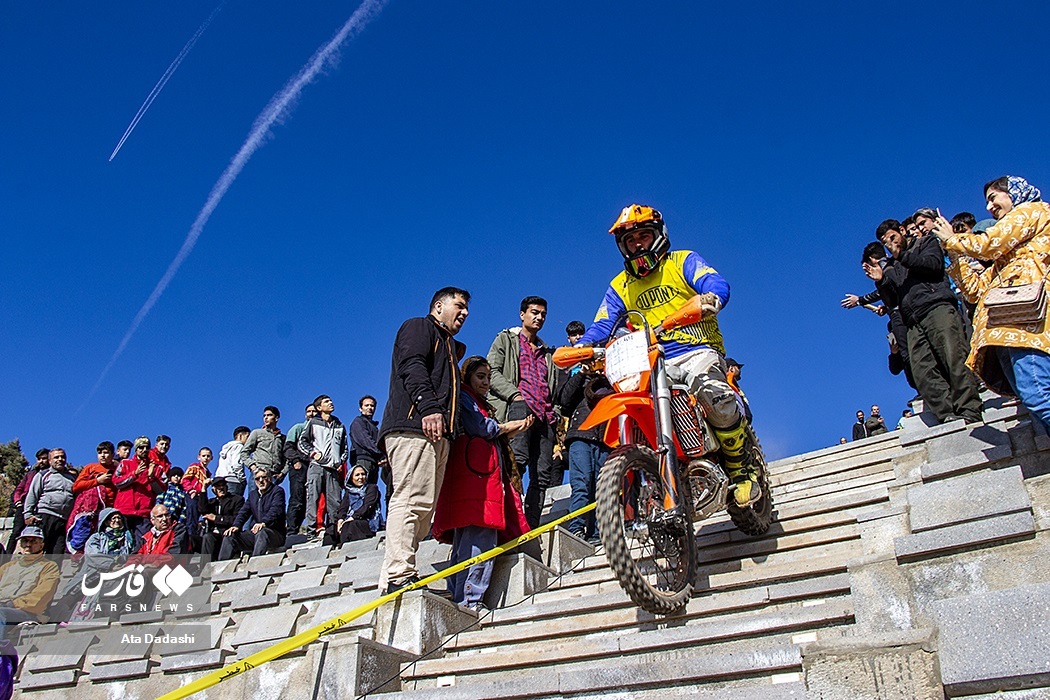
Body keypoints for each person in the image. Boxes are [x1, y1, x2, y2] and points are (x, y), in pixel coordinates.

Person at [578, 204, 760, 506]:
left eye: (644, 236)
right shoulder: (620, 285)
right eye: (631, 240)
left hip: (695, 349)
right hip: (647, 360)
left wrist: (710, 298)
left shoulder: (682, 261)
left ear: (659, 235)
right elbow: (603, 323)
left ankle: (742, 470)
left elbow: (713, 282)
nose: (638, 245)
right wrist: (581, 347)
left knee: (713, 394)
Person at [932, 175, 1050, 430]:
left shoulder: (1032, 211)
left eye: (993, 198)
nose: (989, 207)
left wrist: (954, 239)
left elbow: (986, 244)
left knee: (1039, 396)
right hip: (1004, 329)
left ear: (1014, 193)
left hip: (1026, 322)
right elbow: (974, 291)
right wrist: (953, 251)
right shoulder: (1005, 261)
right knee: (1034, 401)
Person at [379, 286, 469, 594]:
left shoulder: (448, 344)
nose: (465, 313)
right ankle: (399, 574)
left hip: (436, 433)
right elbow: (412, 366)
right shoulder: (419, 326)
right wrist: (429, 408)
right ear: (439, 306)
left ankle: (393, 575)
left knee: (423, 509)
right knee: (411, 499)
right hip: (414, 425)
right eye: (459, 305)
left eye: (467, 309)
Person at [433, 356, 531, 611]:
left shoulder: (475, 401)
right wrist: (506, 427)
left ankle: (461, 596)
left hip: (473, 478)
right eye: (480, 377)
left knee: (467, 540)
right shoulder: (466, 400)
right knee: (479, 538)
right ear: (467, 377)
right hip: (475, 479)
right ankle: (470, 600)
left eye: (488, 377)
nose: (486, 383)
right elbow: (481, 428)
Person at [866, 219, 983, 424]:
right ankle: (947, 413)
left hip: (937, 308)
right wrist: (881, 281)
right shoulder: (892, 266)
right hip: (912, 320)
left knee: (954, 357)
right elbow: (892, 299)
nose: (891, 244)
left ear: (902, 231)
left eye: (893, 237)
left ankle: (969, 409)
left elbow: (933, 265)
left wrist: (902, 256)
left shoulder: (926, 243)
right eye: (886, 243)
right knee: (922, 370)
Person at [487, 296, 560, 527]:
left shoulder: (548, 352)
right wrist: (515, 395)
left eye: (543, 315)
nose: (539, 317)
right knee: (516, 464)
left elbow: (554, 387)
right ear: (522, 314)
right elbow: (492, 372)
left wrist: (555, 412)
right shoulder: (506, 339)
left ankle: (531, 526)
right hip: (519, 407)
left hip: (545, 416)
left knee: (542, 474)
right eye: (534, 312)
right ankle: (510, 522)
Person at [558, 360, 611, 542]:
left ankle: (598, 532)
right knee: (581, 483)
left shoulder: (611, 379)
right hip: (580, 435)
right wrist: (582, 373)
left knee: (601, 486)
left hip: (605, 438)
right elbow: (564, 400)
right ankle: (576, 529)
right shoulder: (578, 376)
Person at [66, 508, 135, 623]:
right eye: (113, 518)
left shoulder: (128, 538)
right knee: (69, 598)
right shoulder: (96, 538)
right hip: (94, 573)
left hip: (118, 572)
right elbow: (94, 556)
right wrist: (111, 565)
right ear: (106, 522)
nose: (117, 521)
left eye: (119, 518)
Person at [298, 395, 349, 540]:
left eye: (331, 400)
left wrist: (340, 461)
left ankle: (334, 530)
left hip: (333, 469)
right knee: (313, 498)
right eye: (326, 402)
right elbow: (302, 442)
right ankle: (311, 531)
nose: (331, 403)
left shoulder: (339, 425)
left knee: (335, 500)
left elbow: (344, 447)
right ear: (319, 408)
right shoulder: (313, 423)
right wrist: (313, 454)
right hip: (317, 466)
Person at [0, 527, 60, 634]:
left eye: (33, 541)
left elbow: (42, 595)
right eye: (25, 541)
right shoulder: (7, 567)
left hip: (27, 612)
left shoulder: (48, 567)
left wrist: (13, 604)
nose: (28, 545)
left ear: (41, 545)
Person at [66, 441, 119, 554]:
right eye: (100, 453)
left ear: (112, 455)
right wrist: (97, 481)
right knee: (81, 538)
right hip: (90, 512)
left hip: (108, 512)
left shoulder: (118, 469)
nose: (102, 456)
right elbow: (76, 486)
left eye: (106, 453)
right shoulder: (91, 467)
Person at [219, 471, 286, 559]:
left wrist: (263, 522)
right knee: (230, 535)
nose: (261, 481)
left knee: (262, 532)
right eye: (257, 479)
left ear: (269, 479)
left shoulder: (277, 491)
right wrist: (236, 525)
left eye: (264, 477)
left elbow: (276, 510)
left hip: (275, 534)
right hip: (256, 534)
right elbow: (243, 512)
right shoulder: (253, 495)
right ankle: (222, 567)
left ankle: (254, 565)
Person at [113, 436, 167, 543]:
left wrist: (152, 477)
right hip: (124, 511)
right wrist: (134, 474)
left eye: (147, 447)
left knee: (142, 542)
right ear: (136, 449)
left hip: (144, 513)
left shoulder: (156, 468)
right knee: (122, 542)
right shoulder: (125, 463)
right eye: (141, 447)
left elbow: (162, 489)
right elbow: (116, 482)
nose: (144, 450)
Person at [23, 448, 76, 555]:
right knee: (38, 550)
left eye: (62, 457)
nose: (60, 459)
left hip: (63, 520)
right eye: (56, 457)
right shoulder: (42, 475)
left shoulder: (72, 478)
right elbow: (33, 494)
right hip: (44, 517)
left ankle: (52, 572)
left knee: (57, 552)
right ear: (50, 460)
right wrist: (27, 514)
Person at [324, 465, 382, 547]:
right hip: (349, 521)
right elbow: (343, 508)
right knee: (331, 529)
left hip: (367, 521)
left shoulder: (372, 488)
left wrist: (352, 518)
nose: (361, 477)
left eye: (363, 474)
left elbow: (368, 506)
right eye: (357, 475)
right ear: (351, 478)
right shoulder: (349, 493)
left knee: (352, 525)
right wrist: (340, 520)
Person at [283, 404, 318, 534]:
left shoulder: (319, 430)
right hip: (299, 466)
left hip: (314, 466)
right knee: (297, 499)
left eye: (314, 411)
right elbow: (288, 447)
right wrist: (295, 460)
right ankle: (291, 530)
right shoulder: (298, 428)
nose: (312, 414)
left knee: (308, 500)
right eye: (309, 411)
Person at [7, 449, 49, 551]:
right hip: (24, 506)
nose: (41, 461)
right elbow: (19, 489)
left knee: (41, 535)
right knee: (16, 532)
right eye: (39, 459)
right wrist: (18, 503)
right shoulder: (31, 474)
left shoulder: (51, 475)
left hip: (41, 508)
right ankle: (5, 559)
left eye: (44, 458)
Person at [197, 477, 244, 563]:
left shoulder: (236, 500)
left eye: (223, 485)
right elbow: (202, 509)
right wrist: (203, 488)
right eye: (218, 486)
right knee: (195, 539)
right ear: (214, 489)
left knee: (208, 537)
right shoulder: (212, 502)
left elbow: (236, 519)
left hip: (227, 535)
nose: (221, 488)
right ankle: (203, 569)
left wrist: (216, 518)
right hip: (212, 536)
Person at [241, 406, 285, 492]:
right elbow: (244, 452)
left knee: (271, 502)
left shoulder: (282, 438)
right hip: (258, 472)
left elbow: (286, 459)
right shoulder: (257, 433)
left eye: (269, 415)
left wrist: (282, 473)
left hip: (273, 476)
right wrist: (253, 467)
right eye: (264, 415)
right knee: (254, 501)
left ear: (276, 418)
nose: (266, 418)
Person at [350, 395, 385, 486]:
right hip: (363, 460)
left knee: (371, 490)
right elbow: (365, 440)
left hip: (374, 462)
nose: (370, 408)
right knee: (362, 490)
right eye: (366, 405)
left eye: (372, 406)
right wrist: (381, 455)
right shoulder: (358, 422)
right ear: (360, 408)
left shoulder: (374, 427)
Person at [182, 448, 212, 550]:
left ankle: (196, 537)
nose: (206, 458)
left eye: (208, 456)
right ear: (199, 457)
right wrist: (191, 490)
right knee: (192, 517)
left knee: (199, 516)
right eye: (203, 456)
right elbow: (185, 479)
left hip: (200, 497)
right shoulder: (194, 467)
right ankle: (190, 539)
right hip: (193, 495)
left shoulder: (207, 473)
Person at [215, 427, 250, 499]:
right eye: (247, 436)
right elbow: (236, 464)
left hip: (222, 480)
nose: (249, 440)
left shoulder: (226, 449)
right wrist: (242, 479)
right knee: (234, 504)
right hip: (234, 480)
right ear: (240, 436)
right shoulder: (239, 446)